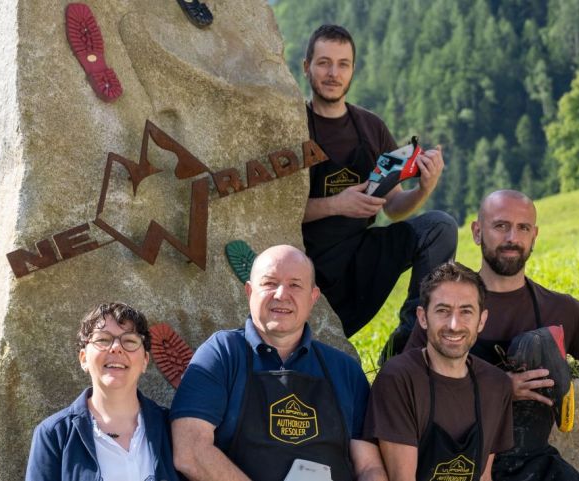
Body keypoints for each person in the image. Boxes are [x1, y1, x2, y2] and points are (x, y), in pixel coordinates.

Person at [405, 190, 579, 480]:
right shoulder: (447, 309)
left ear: (534, 235)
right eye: (501, 226)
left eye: (523, 228)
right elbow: (406, 391)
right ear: (478, 232)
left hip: (532, 465)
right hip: (455, 466)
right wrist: (497, 388)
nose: (512, 238)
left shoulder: (561, 309)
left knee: (537, 342)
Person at [300, 24, 458, 353]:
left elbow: (393, 206)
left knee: (439, 227)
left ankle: (411, 341)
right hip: (305, 262)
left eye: (343, 64)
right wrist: (337, 204)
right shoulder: (293, 125)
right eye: (324, 62)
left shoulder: (371, 128)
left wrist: (423, 189)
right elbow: (272, 210)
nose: (333, 73)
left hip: (360, 256)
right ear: (306, 67)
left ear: (353, 70)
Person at [170, 245, 387, 481]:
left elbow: (369, 468)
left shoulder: (345, 370)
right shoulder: (222, 354)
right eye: (270, 283)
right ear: (250, 291)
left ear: (313, 297)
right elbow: (190, 452)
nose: (281, 294)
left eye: (295, 285)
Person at [365, 262, 513, 481]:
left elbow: (484, 476)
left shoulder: (496, 385)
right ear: (423, 317)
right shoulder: (399, 378)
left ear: (481, 320)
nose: (454, 325)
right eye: (443, 311)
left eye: (466, 311)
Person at [25, 302, 180, 481]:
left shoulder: (172, 429)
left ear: (145, 360)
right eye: (103, 340)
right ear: (83, 358)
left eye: (129, 340)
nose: (116, 348)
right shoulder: (54, 435)